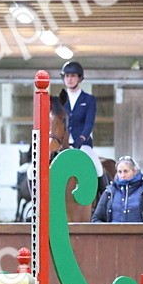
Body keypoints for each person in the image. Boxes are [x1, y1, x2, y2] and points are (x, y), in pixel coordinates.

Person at [57, 61, 104, 189]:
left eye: (73, 76)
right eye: (66, 76)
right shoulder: (59, 101)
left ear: (79, 78)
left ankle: (104, 198)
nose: (69, 79)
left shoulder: (88, 100)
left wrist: (81, 139)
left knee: (98, 167)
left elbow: (89, 123)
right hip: (61, 145)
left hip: (82, 144)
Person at [91, 156, 143, 222]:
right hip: (114, 238)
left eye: (125, 171)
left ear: (134, 171)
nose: (122, 175)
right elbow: (96, 218)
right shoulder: (109, 192)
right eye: (119, 172)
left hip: (141, 238)